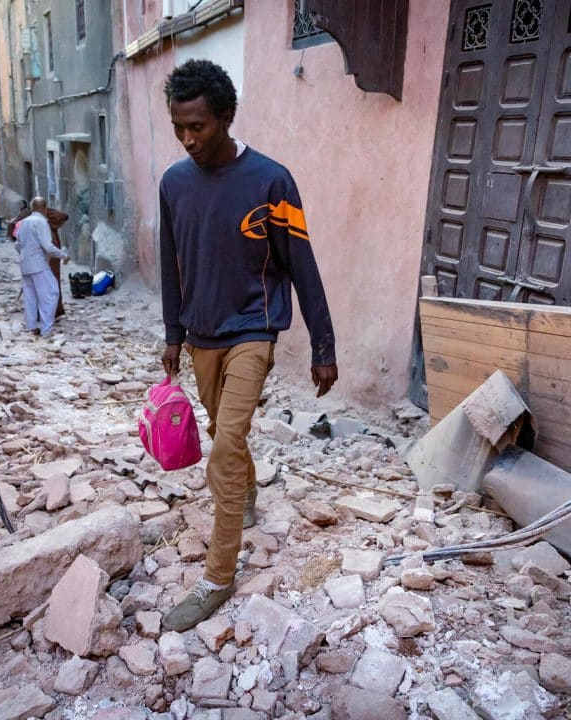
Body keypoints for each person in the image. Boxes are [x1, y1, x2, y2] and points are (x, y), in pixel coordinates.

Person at [158, 60, 338, 632]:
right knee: (222, 433)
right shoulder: (173, 183)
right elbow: (170, 266)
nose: (189, 139)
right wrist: (172, 335)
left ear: (226, 117)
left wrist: (322, 344)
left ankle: (217, 576)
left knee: (226, 442)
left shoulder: (271, 181)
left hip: (254, 331)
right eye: (179, 127)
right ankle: (249, 488)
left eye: (199, 127)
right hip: (200, 337)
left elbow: (302, 268)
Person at [14, 196, 69, 337]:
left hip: (25, 264)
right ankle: (46, 329)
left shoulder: (23, 222)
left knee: (31, 296)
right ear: (44, 208)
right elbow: (48, 246)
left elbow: (17, 244)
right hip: (38, 264)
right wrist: (63, 255)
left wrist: (26, 254)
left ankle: (32, 326)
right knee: (51, 293)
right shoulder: (41, 222)